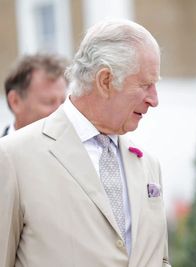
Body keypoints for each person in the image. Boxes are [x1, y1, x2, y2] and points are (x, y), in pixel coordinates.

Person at [0, 19, 171, 267]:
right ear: (105, 81)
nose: (154, 100)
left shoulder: (148, 164)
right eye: (145, 84)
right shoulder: (12, 157)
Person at [2, 53, 68, 136]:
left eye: (63, 102)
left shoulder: (77, 147)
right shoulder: (4, 148)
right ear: (15, 101)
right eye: (48, 102)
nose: (61, 111)